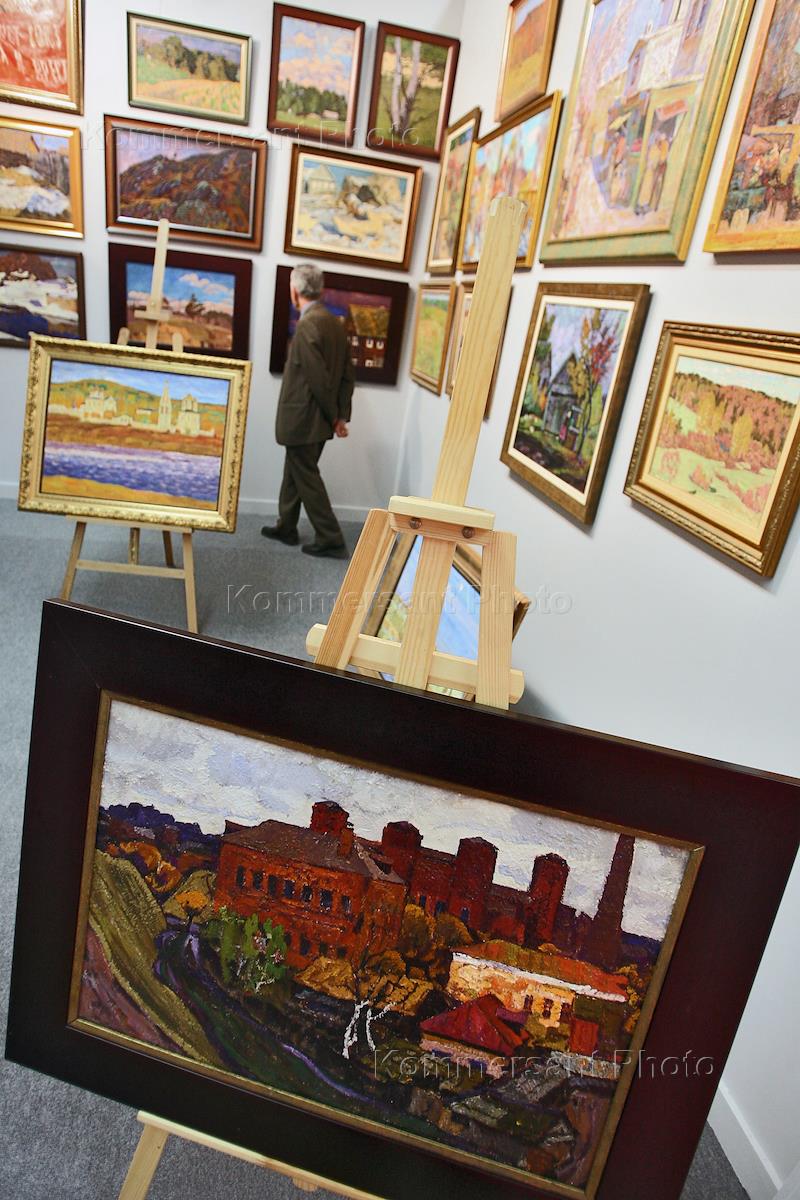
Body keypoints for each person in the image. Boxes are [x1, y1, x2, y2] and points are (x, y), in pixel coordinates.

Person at [262, 263, 354, 558]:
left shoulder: (307, 325)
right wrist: (340, 414)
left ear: (295, 290)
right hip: (317, 421)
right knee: (295, 471)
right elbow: (347, 375)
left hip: (305, 419)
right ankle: (286, 526)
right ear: (320, 290)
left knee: (307, 479)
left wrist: (334, 416)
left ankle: (331, 538)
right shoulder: (334, 323)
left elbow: (318, 380)